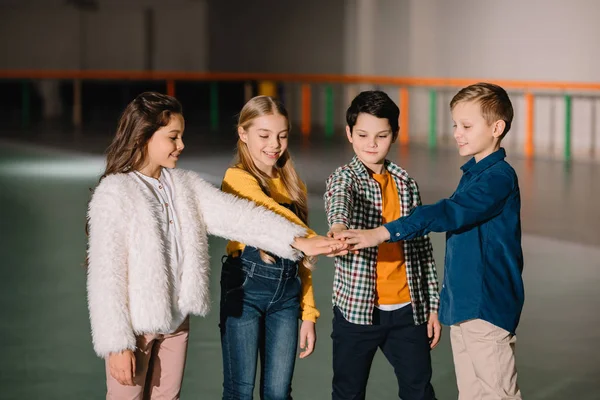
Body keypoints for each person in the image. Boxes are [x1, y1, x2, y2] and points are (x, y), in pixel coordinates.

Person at [86, 92, 344, 399]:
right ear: (144, 137)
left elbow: (240, 217)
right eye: (173, 137)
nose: (181, 145)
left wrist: (298, 241)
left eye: (181, 136)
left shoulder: (183, 185)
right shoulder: (114, 193)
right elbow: (106, 275)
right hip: (136, 327)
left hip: (176, 321)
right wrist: (116, 344)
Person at [337, 83, 524, 399]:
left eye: (466, 125)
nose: (457, 133)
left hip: (486, 309)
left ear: (497, 128)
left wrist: (381, 233)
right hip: (464, 308)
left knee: (497, 394)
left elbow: (450, 213)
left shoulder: (498, 178)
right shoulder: (473, 174)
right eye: (455, 125)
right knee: (472, 394)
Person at [324, 90, 440, 400]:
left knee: (419, 391)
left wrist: (432, 307)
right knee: (348, 392)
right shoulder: (345, 178)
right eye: (362, 134)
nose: (371, 143)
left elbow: (421, 248)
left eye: (381, 135)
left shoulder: (405, 183)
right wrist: (338, 226)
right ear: (349, 134)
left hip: (407, 311)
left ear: (394, 135)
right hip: (357, 312)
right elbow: (339, 200)